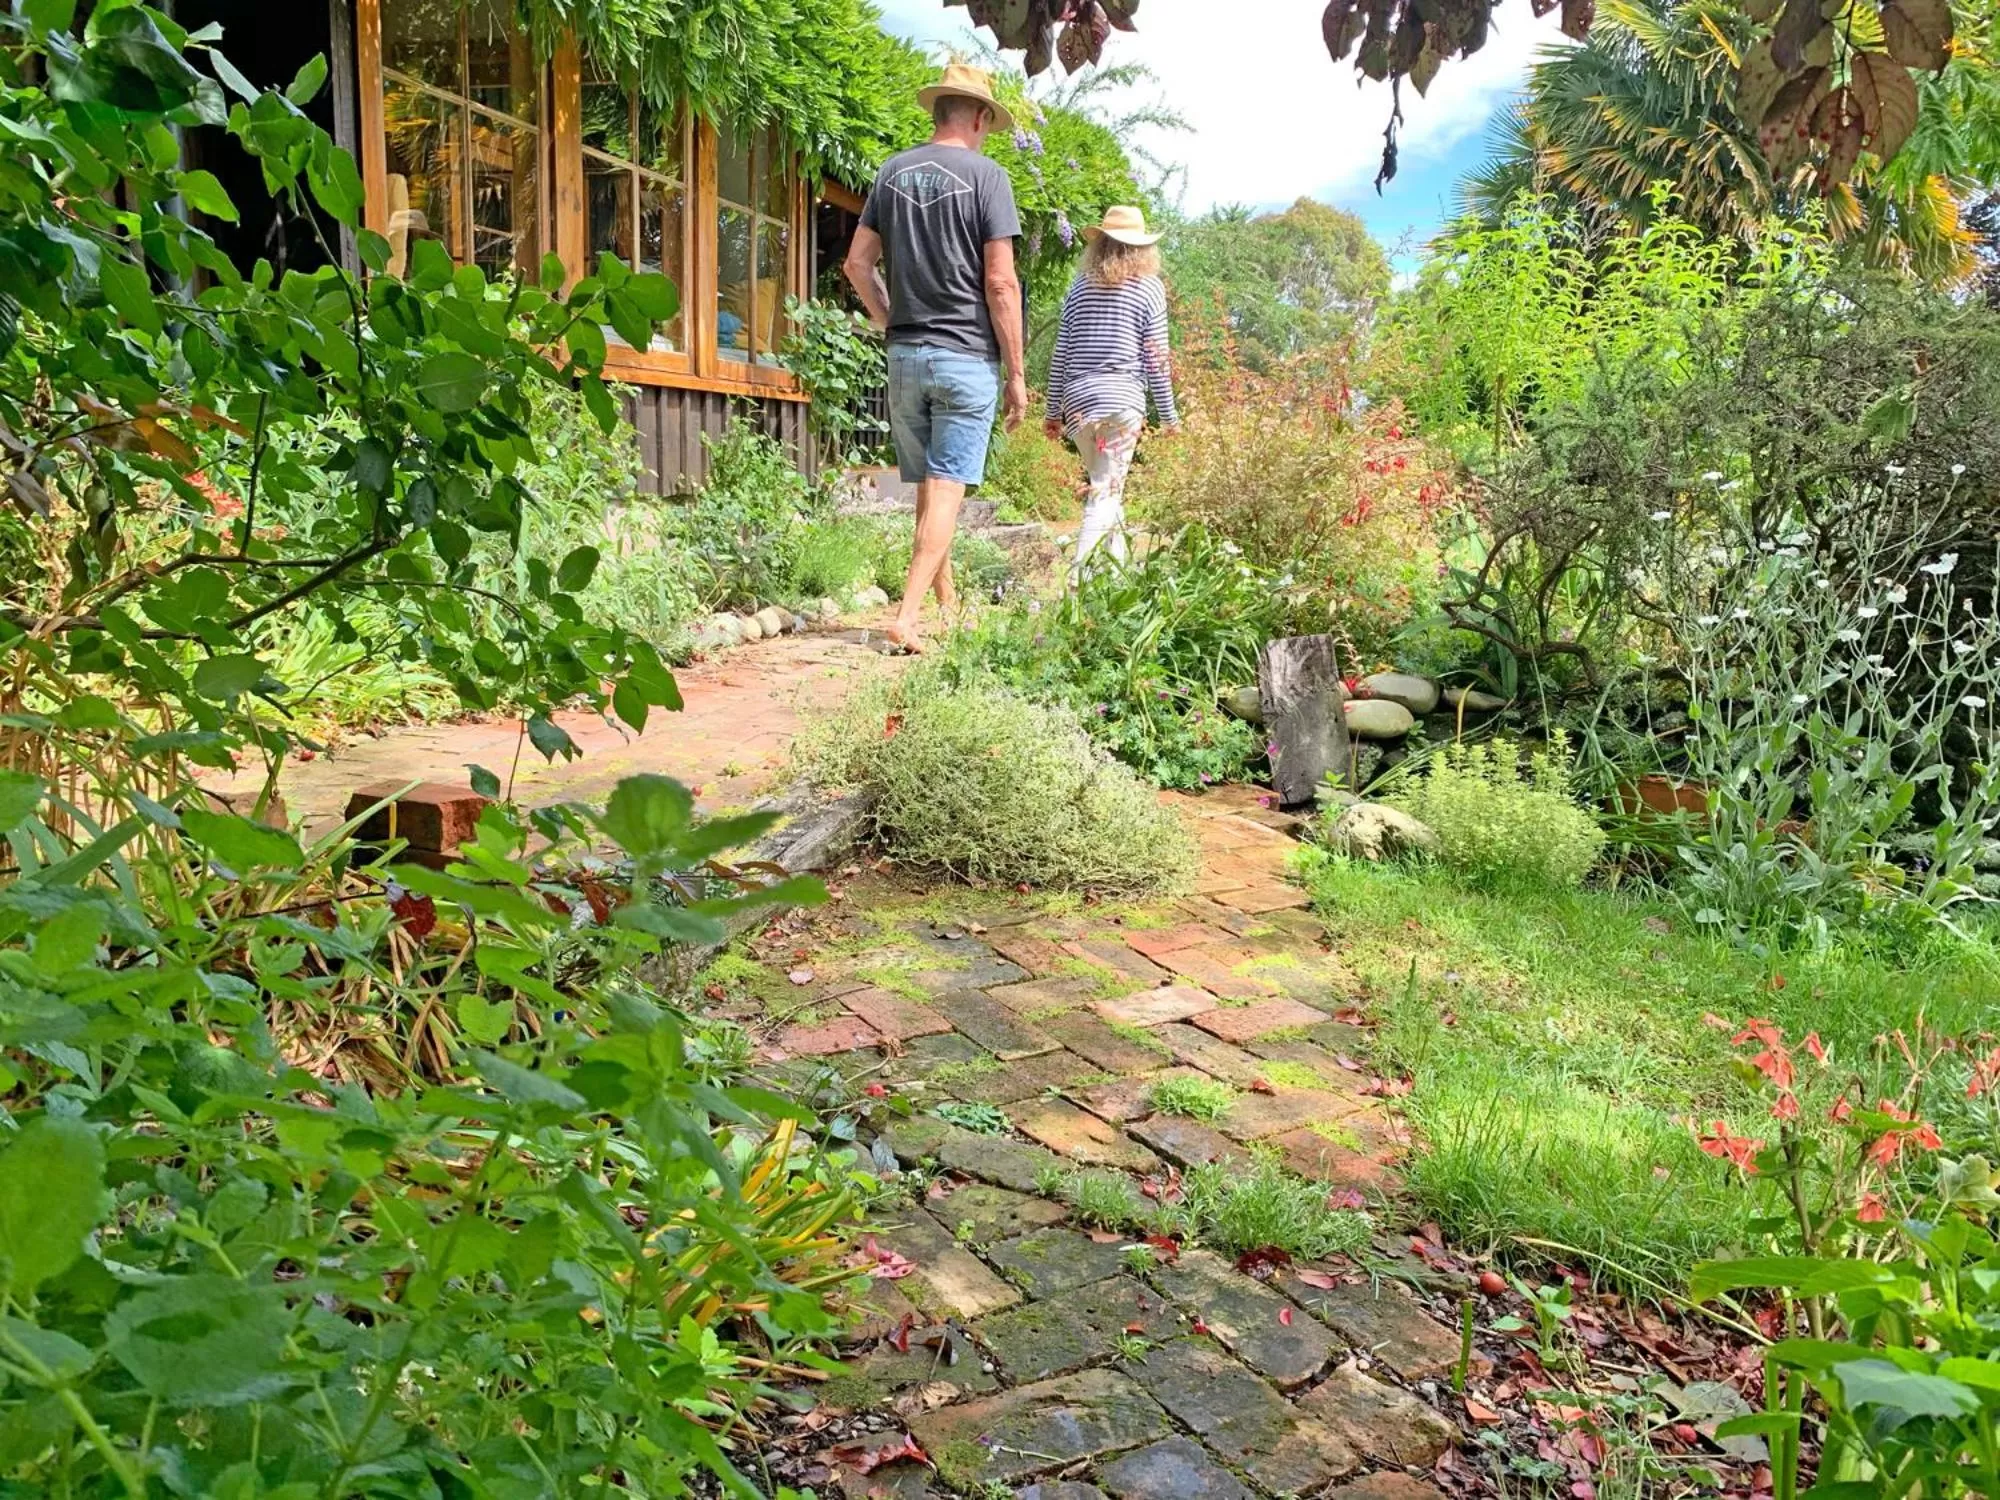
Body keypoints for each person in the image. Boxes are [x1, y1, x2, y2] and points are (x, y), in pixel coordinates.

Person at [844, 64, 1027, 653]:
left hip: (905, 357)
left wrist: (887, 318)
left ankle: (946, 604)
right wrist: (1019, 375)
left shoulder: (892, 172)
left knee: (927, 486)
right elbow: (1001, 284)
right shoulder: (988, 177)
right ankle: (909, 616)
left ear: (936, 112)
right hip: (966, 358)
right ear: (978, 117)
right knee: (946, 490)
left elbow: (857, 264)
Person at [1043, 205, 1180, 568]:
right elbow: (1157, 360)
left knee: (1106, 485)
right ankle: (1080, 580)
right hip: (1121, 403)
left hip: (1078, 405)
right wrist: (1169, 418)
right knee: (1105, 492)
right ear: (1142, 249)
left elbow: (1062, 351)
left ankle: (1116, 582)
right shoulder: (1149, 288)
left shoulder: (1079, 288)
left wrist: (1052, 410)